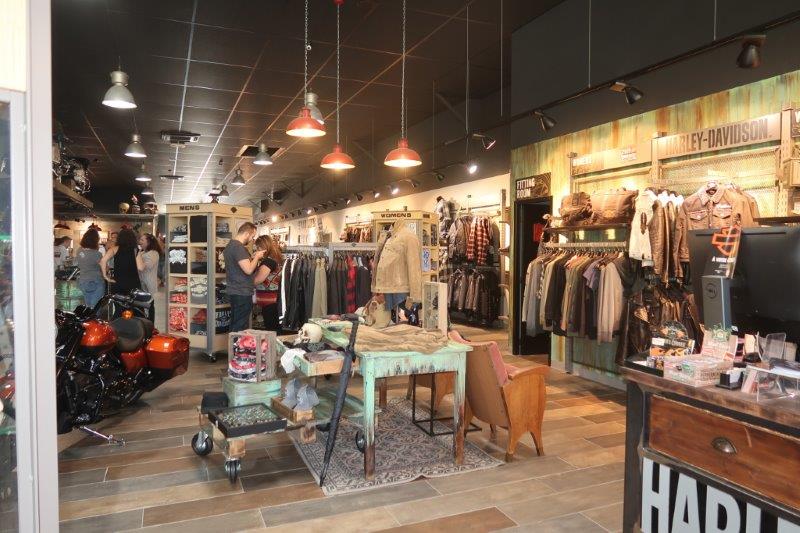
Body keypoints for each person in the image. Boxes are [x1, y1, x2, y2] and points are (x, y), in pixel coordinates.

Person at [223, 222, 265, 333]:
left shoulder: (230, 246)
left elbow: (240, 266)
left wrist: (251, 258)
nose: (252, 239)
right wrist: (257, 257)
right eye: (252, 236)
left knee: (235, 323)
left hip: (235, 290)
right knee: (240, 326)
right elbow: (248, 270)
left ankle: (233, 344)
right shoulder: (238, 247)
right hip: (242, 292)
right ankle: (238, 344)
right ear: (246, 234)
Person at [253, 235, 283, 331]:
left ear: (263, 247)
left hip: (269, 300)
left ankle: (274, 341)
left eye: (258, 247)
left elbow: (258, 280)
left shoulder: (268, 261)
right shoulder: (275, 259)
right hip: (273, 299)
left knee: (271, 328)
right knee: (274, 326)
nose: (256, 250)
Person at [100, 228, 141, 297]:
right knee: (133, 302)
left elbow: (102, 261)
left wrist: (105, 276)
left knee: (118, 302)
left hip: (118, 282)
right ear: (132, 238)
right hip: (133, 282)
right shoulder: (136, 250)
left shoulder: (114, 249)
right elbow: (140, 267)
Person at [75, 229, 104, 308]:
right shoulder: (97, 254)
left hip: (83, 281)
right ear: (96, 240)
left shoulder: (79, 250)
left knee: (88, 306)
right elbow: (104, 268)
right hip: (95, 281)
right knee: (95, 307)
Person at [137, 233, 162, 320]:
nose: (140, 242)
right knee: (144, 307)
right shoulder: (143, 252)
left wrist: (138, 255)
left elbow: (144, 267)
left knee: (149, 306)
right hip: (142, 284)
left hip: (148, 285)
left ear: (149, 242)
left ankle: (150, 325)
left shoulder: (153, 253)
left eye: (142, 240)